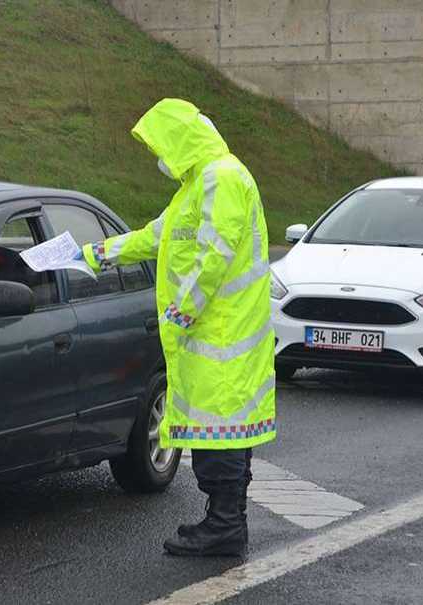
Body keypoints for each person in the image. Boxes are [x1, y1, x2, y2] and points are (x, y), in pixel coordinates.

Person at [79, 98, 276, 557]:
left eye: (161, 147)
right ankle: (225, 522)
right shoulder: (196, 185)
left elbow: (216, 255)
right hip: (212, 337)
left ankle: (225, 525)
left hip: (222, 336)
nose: (158, 158)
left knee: (221, 433)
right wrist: (93, 255)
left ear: (181, 140)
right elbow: (156, 236)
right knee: (222, 431)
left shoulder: (220, 178)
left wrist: (183, 311)